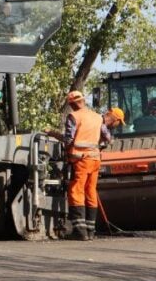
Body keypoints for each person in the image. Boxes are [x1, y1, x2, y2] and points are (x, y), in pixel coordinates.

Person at [44, 90, 112, 241]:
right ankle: (91, 231)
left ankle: (80, 231)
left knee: (76, 191)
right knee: (91, 191)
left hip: (80, 160)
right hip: (95, 159)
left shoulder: (74, 116)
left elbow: (69, 139)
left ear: (72, 104)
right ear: (83, 101)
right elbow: (107, 137)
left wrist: (53, 133)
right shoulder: (97, 117)